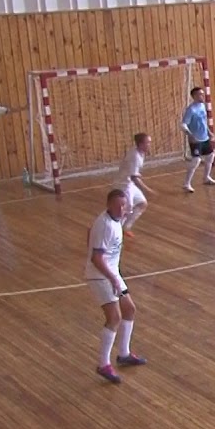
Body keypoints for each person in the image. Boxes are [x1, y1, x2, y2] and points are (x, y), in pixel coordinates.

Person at [85, 189, 147, 383]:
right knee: (114, 317)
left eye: (124, 205)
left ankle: (124, 354)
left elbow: (89, 231)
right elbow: (96, 259)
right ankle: (103, 364)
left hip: (112, 273)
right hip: (100, 275)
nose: (122, 209)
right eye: (118, 206)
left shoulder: (115, 219)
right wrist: (112, 278)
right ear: (108, 205)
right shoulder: (105, 225)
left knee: (129, 309)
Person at [180, 87, 215, 192]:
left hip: (205, 138)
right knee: (196, 161)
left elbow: (203, 121)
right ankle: (187, 184)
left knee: (210, 156)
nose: (202, 96)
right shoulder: (191, 110)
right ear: (194, 96)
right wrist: (190, 135)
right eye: (200, 94)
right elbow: (183, 124)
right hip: (195, 140)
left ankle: (206, 177)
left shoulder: (202, 106)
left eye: (203, 94)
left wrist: (209, 132)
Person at [118, 133, 154, 237]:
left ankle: (126, 227)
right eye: (148, 142)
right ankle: (115, 230)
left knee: (142, 204)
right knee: (126, 210)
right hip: (123, 185)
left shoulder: (139, 151)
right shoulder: (135, 156)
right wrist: (147, 190)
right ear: (141, 144)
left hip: (130, 184)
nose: (150, 144)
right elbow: (134, 177)